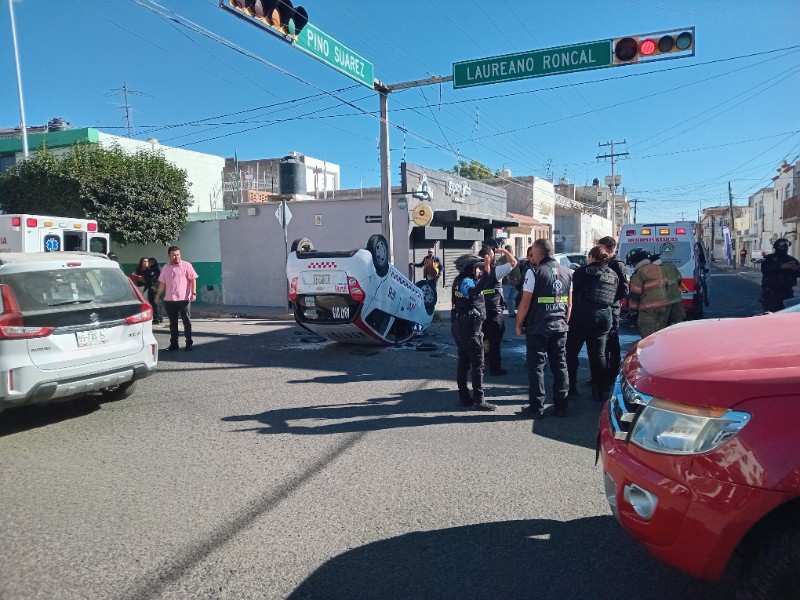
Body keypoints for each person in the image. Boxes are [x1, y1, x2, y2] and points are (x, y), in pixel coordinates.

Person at [515, 238, 572, 419]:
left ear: (540, 253)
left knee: (537, 367)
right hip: (560, 327)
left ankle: (536, 407)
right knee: (560, 365)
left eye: (532, 253)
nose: (531, 256)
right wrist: (564, 322)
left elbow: (525, 304)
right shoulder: (568, 272)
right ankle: (561, 406)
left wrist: (518, 324)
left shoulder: (534, 272)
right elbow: (569, 305)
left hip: (538, 328)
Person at [565, 246, 618, 402]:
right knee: (598, 354)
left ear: (591, 256)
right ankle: (599, 390)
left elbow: (571, 291)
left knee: (571, 352)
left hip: (583, 314)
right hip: (605, 315)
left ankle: (571, 388)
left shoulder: (584, 271)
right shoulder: (612, 274)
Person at [451, 252, 495, 411]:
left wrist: (487, 272)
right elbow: (474, 292)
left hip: (462, 326)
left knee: (463, 362)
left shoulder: (459, 280)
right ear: (468, 268)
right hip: (469, 328)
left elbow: (481, 285)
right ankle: (478, 400)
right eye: (476, 268)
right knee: (478, 364)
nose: (478, 270)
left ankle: (464, 397)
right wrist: (487, 272)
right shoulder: (466, 282)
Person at [479, 238, 518, 376]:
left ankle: (482, 361)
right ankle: (495, 367)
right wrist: (503, 251)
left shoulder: (476, 271)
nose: (495, 257)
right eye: (493, 255)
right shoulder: (496, 271)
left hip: (480, 310)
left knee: (482, 337)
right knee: (495, 339)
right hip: (494, 311)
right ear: (488, 257)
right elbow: (513, 262)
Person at [597, 236, 629, 385]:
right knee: (602, 343)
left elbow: (624, 289)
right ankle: (602, 374)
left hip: (612, 307)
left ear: (609, 248)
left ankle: (612, 374)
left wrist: (609, 299)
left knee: (612, 341)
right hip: (604, 307)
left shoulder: (617, 264)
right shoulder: (605, 262)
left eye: (600, 247)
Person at [156, 246, 198, 351]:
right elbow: (162, 283)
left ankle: (189, 343)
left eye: (178, 254)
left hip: (184, 299)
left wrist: (193, 293)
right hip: (170, 300)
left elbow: (193, 279)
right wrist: (158, 295)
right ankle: (174, 344)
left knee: (186, 321)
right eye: (174, 255)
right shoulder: (165, 268)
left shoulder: (187, 265)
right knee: (173, 323)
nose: (176, 257)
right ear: (169, 256)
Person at [626, 248, 672, 339]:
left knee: (647, 333)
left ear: (635, 261)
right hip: (663, 306)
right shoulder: (659, 268)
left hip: (648, 308)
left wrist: (633, 311)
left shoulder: (638, 273)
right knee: (659, 331)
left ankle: (651, 348)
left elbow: (635, 294)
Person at [760, 238, 800, 312]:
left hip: (787, 291)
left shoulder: (792, 259)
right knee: (772, 313)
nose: (784, 247)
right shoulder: (769, 258)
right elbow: (765, 270)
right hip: (772, 291)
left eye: (786, 245)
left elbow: (798, 274)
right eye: (782, 245)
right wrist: (781, 267)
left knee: (787, 312)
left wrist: (796, 268)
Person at [649, 252, 686, 328]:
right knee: (678, 320)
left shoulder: (655, 270)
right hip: (676, 297)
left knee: (662, 322)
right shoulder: (671, 265)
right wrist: (674, 288)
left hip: (664, 300)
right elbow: (679, 279)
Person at [500, 244, 521, 317]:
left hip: (516, 283)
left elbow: (518, 269)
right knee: (505, 298)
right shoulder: (501, 260)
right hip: (506, 283)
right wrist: (511, 279)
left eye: (511, 250)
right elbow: (501, 272)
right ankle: (500, 313)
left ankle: (511, 313)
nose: (510, 251)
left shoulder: (515, 258)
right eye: (508, 250)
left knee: (512, 298)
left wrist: (518, 279)